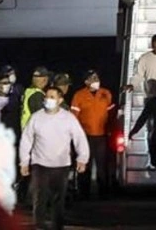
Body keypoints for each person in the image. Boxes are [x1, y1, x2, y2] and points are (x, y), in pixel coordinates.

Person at [19, 87, 90, 230]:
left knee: (58, 199)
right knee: (39, 198)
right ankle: (39, 225)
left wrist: (82, 158)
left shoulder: (68, 118)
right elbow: (26, 139)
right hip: (40, 164)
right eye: (46, 96)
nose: (48, 99)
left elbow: (79, 138)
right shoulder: (36, 117)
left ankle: (57, 226)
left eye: (52, 97)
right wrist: (24, 162)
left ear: (60, 100)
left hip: (61, 165)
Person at [70, 70, 114, 199]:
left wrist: (111, 130)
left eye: (97, 77)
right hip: (85, 136)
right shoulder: (79, 95)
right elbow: (73, 116)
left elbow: (111, 114)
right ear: (86, 82)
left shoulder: (106, 93)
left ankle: (104, 192)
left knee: (102, 165)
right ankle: (83, 193)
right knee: (85, 164)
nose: (96, 80)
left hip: (102, 136)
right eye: (92, 78)